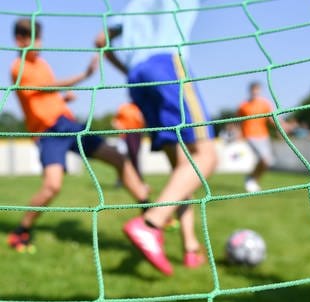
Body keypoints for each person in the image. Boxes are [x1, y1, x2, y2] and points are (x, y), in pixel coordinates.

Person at [95, 0, 216, 275]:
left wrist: (128, 68)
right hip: (167, 64)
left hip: (138, 77)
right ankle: (150, 224)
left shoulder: (133, 5)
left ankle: (190, 247)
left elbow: (100, 40)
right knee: (206, 156)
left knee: (184, 171)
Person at [8, 19, 149, 252]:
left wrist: (63, 101)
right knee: (52, 187)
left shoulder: (42, 64)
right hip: (48, 133)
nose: (39, 43)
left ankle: (150, 212)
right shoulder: (17, 67)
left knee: (117, 157)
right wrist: (83, 76)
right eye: (34, 38)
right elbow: (47, 88)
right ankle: (21, 231)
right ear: (20, 40)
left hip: (68, 124)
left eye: (40, 38)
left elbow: (43, 98)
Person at [238, 82, 275, 192]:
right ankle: (251, 180)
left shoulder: (265, 104)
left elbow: (271, 119)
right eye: (253, 90)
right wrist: (238, 134)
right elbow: (238, 121)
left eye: (257, 90)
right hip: (250, 135)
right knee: (264, 159)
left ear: (260, 91)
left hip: (264, 135)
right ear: (250, 91)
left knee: (267, 162)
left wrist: (282, 127)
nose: (255, 92)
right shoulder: (243, 106)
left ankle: (252, 179)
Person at [112, 102, 145, 179]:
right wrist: (120, 128)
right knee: (123, 156)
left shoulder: (140, 107)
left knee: (134, 155)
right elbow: (115, 121)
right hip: (125, 135)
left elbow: (143, 121)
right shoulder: (124, 108)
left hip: (137, 134)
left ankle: (137, 178)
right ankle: (121, 179)